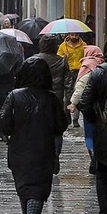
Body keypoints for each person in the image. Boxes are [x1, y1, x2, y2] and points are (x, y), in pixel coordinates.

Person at [0, 56, 67, 214]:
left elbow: (3, 122)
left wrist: (12, 130)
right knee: (38, 189)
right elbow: (61, 125)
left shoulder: (14, 95)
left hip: (19, 150)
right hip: (43, 150)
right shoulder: (51, 98)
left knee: (24, 188)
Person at [79, 34, 107, 214]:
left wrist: (96, 122)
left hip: (105, 133)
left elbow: (85, 102)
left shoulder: (99, 73)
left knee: (103, 176)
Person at [35, 34, 70, 173]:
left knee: (39, 129)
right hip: (57, 99)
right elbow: (68, 85)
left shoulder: (34, 60)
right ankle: (55, 154)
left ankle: (43, 156)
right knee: (57, 130)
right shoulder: (62, 62)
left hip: (38, 100)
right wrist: (69, 103)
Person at [69, 45, 105, 174]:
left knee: (89, 133)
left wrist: (73, 103)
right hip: (102, 107)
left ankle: (93, 156)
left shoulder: (87, 65)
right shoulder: (103, 65)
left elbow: (80, 87)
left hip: (89, 107)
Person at [58, 32, 86, 127]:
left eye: (76, 35)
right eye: (72, 35)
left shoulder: (83, 45)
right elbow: (58, 60)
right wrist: (64, 56)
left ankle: (75, 119)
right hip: (68, 72)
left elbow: (86, 58)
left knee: (78, 94)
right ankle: (67, 118)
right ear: (68, 35)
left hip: (80, 71)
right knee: (67, 96)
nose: (74, 37)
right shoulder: (63, 46)